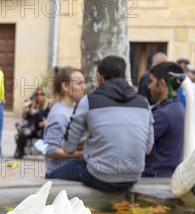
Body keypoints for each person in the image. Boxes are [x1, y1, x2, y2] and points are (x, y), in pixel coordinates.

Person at [47, 55, 154, 191]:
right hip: (133, 177)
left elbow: (68, 148)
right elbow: (148, 149)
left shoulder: (88, 101)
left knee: (50, 178)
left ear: (99, 77)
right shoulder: (144, 103)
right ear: (126, 76)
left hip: (100, 177)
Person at [142, 62, 185, 177]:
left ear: (162, 83)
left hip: (153, 177)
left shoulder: (164, 114)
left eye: (151, 81)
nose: (148, 86)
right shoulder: (179, 108)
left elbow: (141, 145)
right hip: (166, 175)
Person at [42, 67, 86, 173]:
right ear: (65, 86)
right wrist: (83, 153)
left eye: (84, 83)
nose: (84, 87)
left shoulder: (76, 107)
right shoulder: (59, 114)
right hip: (59, 172)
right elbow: (50, 150)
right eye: (79, 83)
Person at [14, 87, 50, 159]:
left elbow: (50, 117)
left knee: (44, 135)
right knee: (23, 133)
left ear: (45, 95)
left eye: (41, 94)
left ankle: (47, 153)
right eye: (37, 94)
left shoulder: (47, 106)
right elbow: (25, 117)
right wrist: (24, 111)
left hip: (41, 128)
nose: (39, 96)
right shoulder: (31, 105)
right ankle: (19, 152)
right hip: (32, 127)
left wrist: (45, 122)